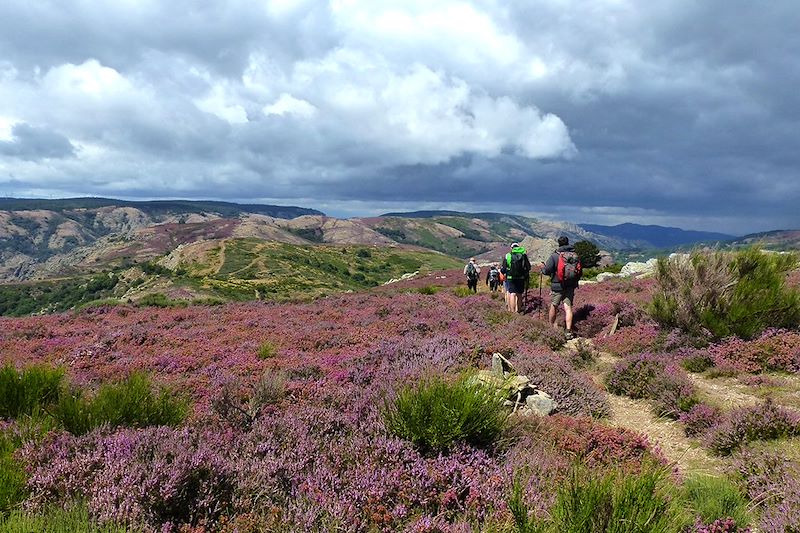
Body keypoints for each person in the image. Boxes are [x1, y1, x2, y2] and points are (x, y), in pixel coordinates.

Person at [541, 236, 581, 339]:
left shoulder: (555, 256)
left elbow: (547, 270)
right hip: (570, 285)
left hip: (557, 285)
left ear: (559, 244)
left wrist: (543, 269)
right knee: (568, 308)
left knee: (554, 305)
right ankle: (568, 331)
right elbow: (579, 271)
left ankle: (550, 327)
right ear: (568, 243)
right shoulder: (575, 255)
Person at [502, 243, 530, 313]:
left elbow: (504, 268)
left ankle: (512, 311)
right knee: (519, 294)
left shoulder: (508, 255)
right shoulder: (523, 255)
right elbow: (528, 267)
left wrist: (505, 273)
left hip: (510, 277)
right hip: (521, 278)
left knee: (512, 294)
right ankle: (518, 310)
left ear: (511, 248)